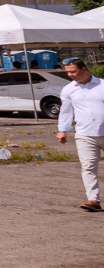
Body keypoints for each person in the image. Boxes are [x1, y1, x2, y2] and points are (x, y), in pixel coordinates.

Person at [56, 56, 104, 212]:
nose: (70, 75)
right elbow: (66, 111)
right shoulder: (69, 89)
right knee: (88, 167)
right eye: (68, 72)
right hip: (85, 134)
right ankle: (93, 200)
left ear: (84, 69)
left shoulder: (102, 85)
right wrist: (63, 130)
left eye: (73, 71)